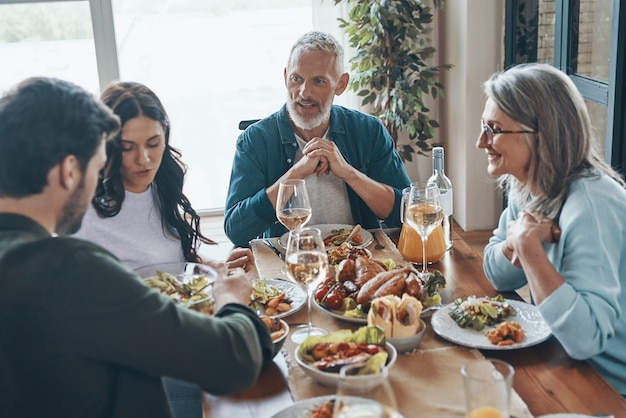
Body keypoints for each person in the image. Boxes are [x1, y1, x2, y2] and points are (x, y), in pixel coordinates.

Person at [0, 77, 274, 417]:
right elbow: (233, 361)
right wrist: (232, 299)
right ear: (70, 170)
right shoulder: (72, 268)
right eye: (98, 164)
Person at [478, 63, 626, 395]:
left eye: (493, 128)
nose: (480, 142)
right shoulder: (529, 185)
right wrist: (513, 242)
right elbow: (497, 274)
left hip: (609, 386)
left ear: (539, 135)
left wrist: (530, 251)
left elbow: (586, 340)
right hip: (563, 356)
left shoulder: (591, 205)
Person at [224, 31, 411, 247]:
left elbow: (407, 214)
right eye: (296, 79)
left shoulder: (370, 131)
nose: (304, 92)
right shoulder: (255, 140)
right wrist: (296, 174)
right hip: (286, 266)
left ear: (341, 84)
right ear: (286, 77)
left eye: (319, 81)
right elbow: (236, 230)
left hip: (359, 262)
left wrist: (348, 173)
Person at [74, 81, 253, 272]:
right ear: (106, 145)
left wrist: (214, 266)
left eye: (153, 143)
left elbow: (168, 255)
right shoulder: (84, 218)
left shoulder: (159, 187)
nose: (144, 159)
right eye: (127, 147)